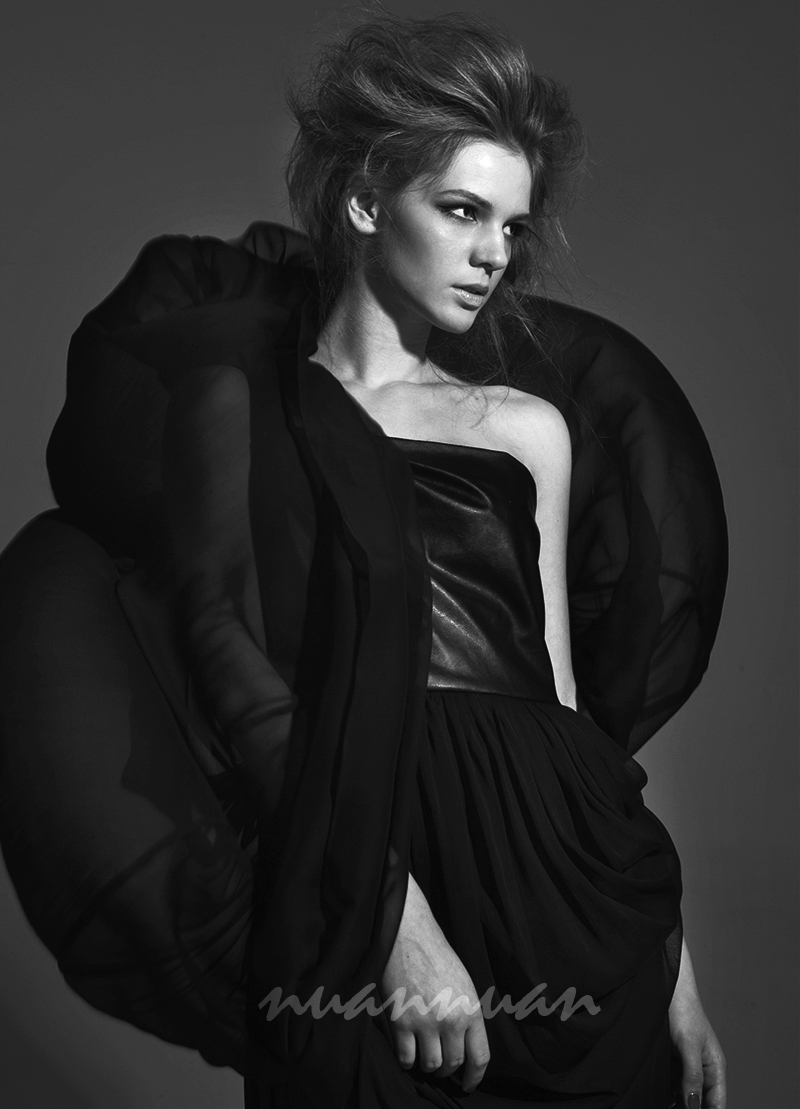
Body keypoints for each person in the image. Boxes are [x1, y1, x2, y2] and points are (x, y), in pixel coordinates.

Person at [0, 12, 728, 1109]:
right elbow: (232, 663)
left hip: (566, 879)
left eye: (512, 225)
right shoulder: (237, 406)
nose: (494, 253)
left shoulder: (525, 425)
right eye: (462, 210)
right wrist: (394, 921)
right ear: (362, 200)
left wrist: (667, 951)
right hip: (362, 856)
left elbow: (566, 704)